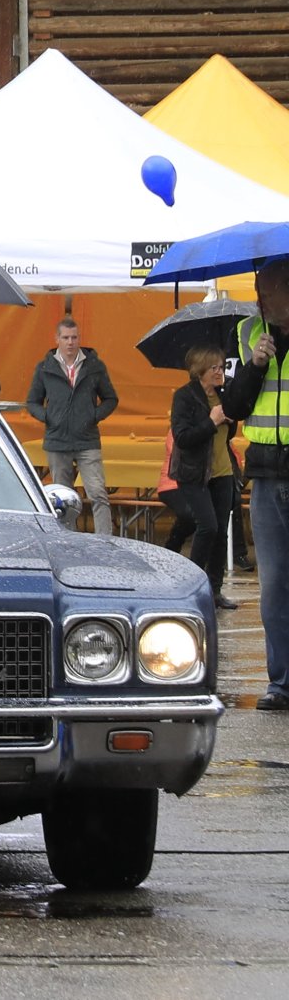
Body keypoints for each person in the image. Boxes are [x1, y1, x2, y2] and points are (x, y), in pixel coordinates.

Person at [220, 257, 289, 710]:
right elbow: (233, 407)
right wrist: (256, 365)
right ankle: (281, 682)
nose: (261, 297)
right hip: (265, 474)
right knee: (275, 586)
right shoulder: (246, 334)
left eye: (270, 288)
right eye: (259, 288)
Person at [26, 316, 119, 535]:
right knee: (63, 499)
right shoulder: (45, 368)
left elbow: (111, 398)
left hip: (87, 439)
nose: (70, 342)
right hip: (57, 440)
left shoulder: (94, 366)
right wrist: (48, 417)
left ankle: (104, 540)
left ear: (79, 338)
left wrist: (93, 416)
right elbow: (32, 402)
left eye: (74, 337)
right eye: (66, 338)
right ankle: (68, 540)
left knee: (98, 493)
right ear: (57, 339)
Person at [169, 346, 241, 610]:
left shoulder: (224, 395)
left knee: (221, 532)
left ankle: (214, 590)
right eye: (214, 368)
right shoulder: (184, 396)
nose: (219, 372)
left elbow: (227, 435)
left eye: (221, 367)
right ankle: (193, 587)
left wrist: (230, 420)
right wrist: (211, 422)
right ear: (200, 370)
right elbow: (183, 438)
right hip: (194, 473)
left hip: (223, 471)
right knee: (208, 526)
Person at [156, 430, 195, 555]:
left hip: (197, 485)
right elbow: (181, 453)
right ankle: (172, 547)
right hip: (172, 485)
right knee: (191, 514)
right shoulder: (178, 429)